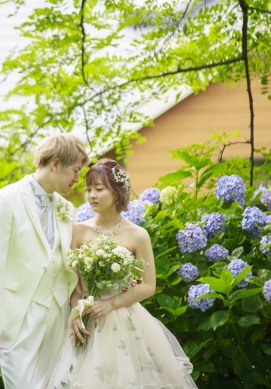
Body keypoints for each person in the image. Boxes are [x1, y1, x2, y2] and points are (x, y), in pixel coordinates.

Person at [46, 158, 197, 389]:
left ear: (117, 192)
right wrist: (76, 313)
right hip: (87, 321)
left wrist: (112, 303)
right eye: (88, 190)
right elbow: (72, 281)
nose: (91, 196)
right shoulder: (77, 230)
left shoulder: (138, 235)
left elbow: (148, 285)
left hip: (125, 320)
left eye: (99, 189)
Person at [0, 133, 89, 388]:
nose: (76, 179)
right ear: (56, 164)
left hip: (57, 316)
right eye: (75, 170)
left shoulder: (66, 208)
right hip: (17, 318)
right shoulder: (4, 201)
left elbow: (68, 261)